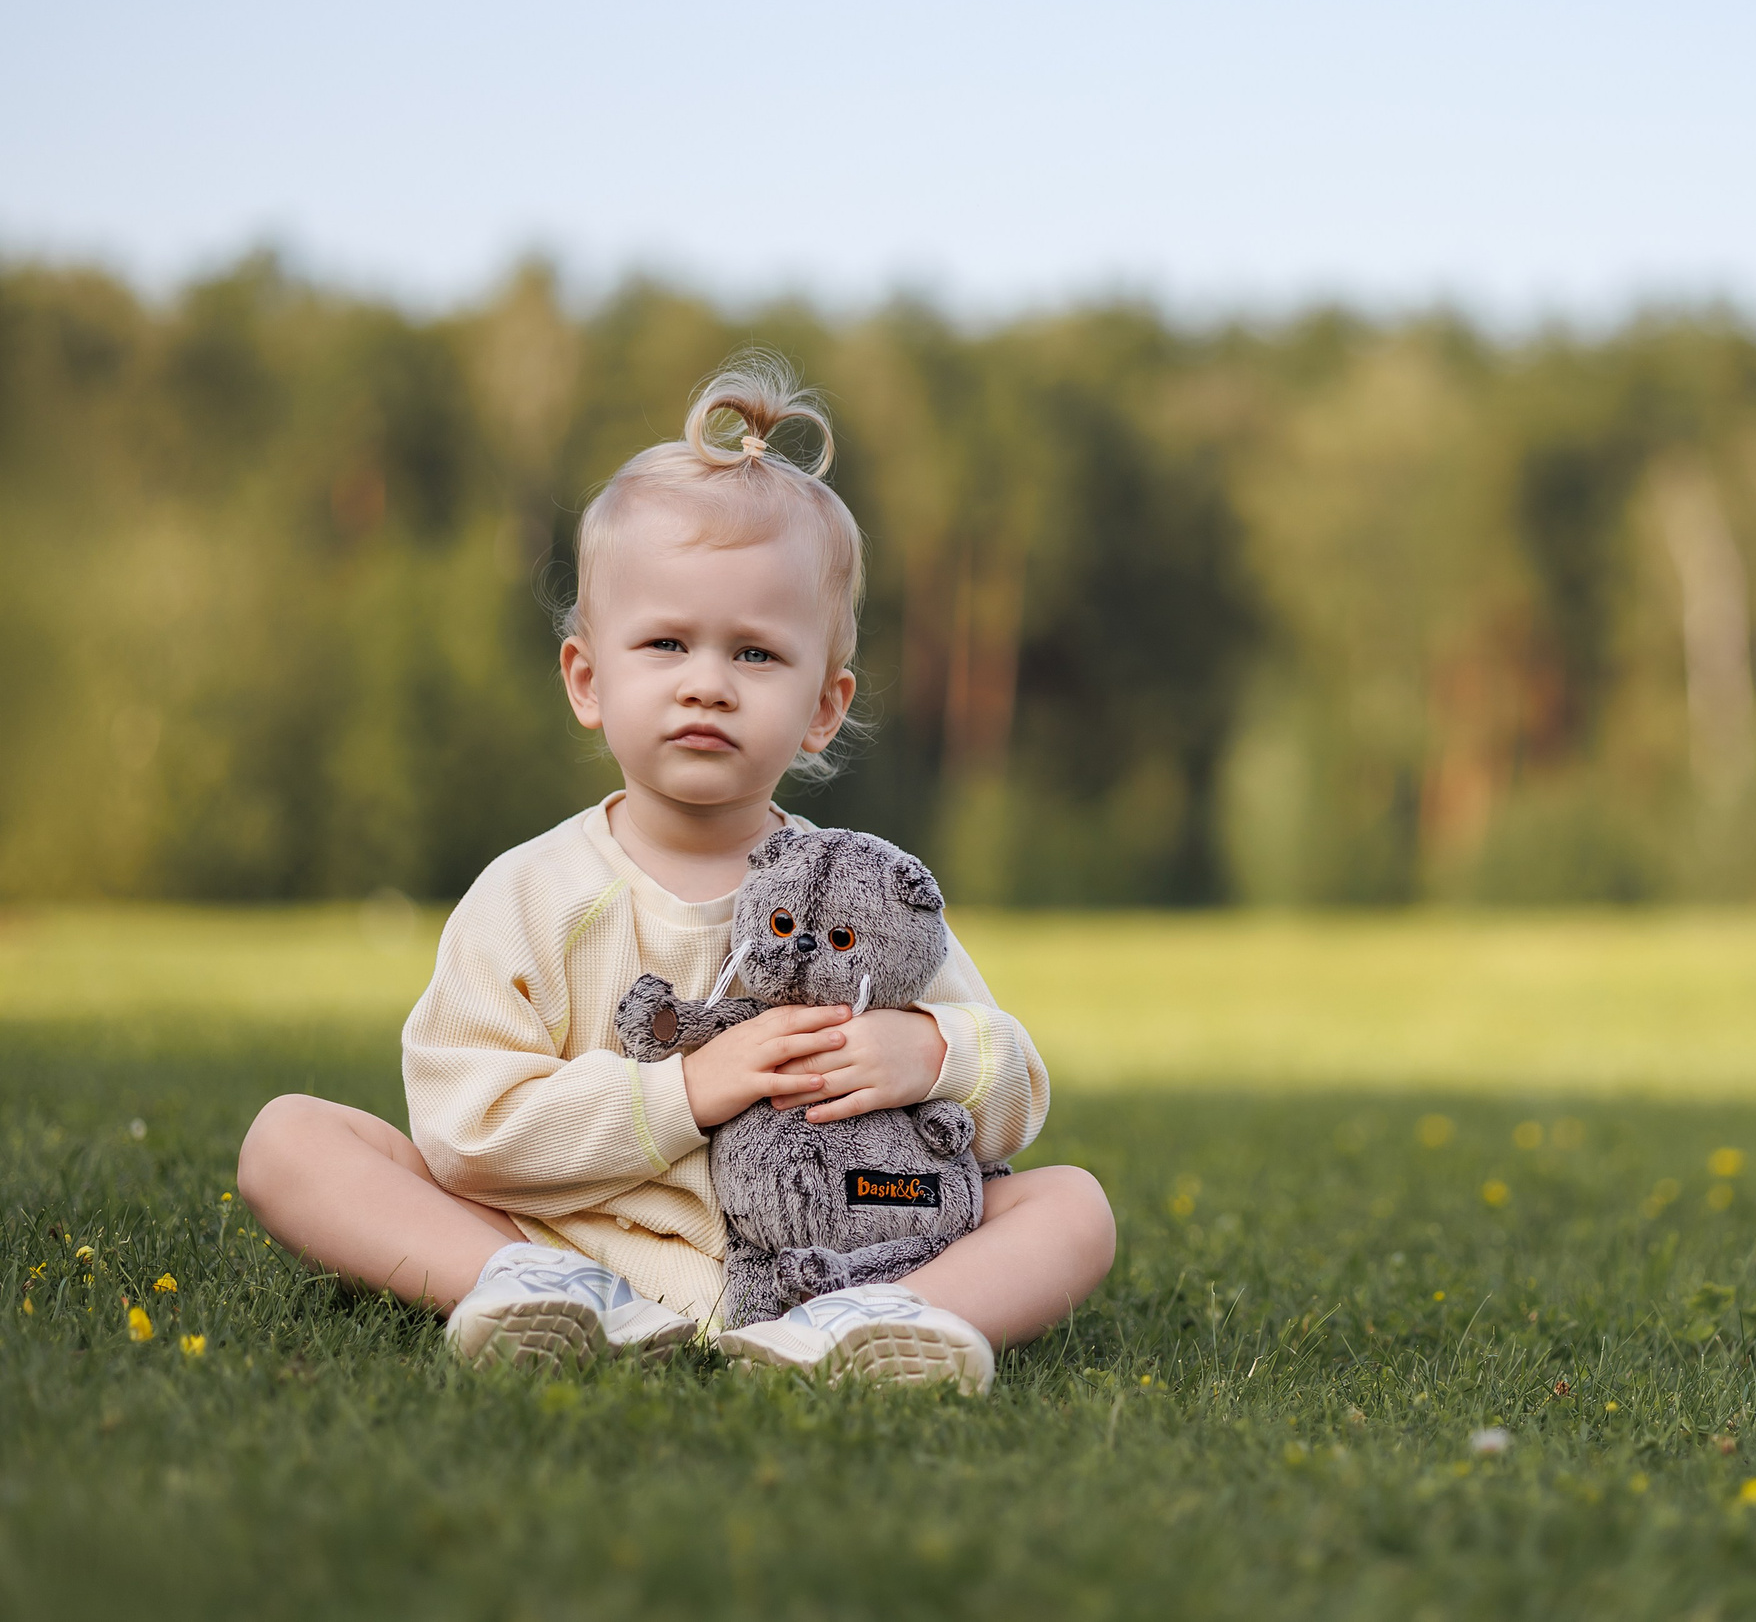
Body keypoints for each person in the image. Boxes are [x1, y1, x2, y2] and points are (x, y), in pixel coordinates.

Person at [235, 357, 1115, 1392]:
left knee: (1071, 1204)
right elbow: (464, 1130)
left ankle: (876, 1325)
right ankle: (524, 1290)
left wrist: (926, 1053)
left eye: (754, 655)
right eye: (664, 643)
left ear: (823, 708)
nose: (706, 684)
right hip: (573, 1238)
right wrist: (684, 1091)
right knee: (288, 1139)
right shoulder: (533, 896)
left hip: (834, 1247)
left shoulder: (861, 890)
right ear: (588, 680)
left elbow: (1012, 1097)